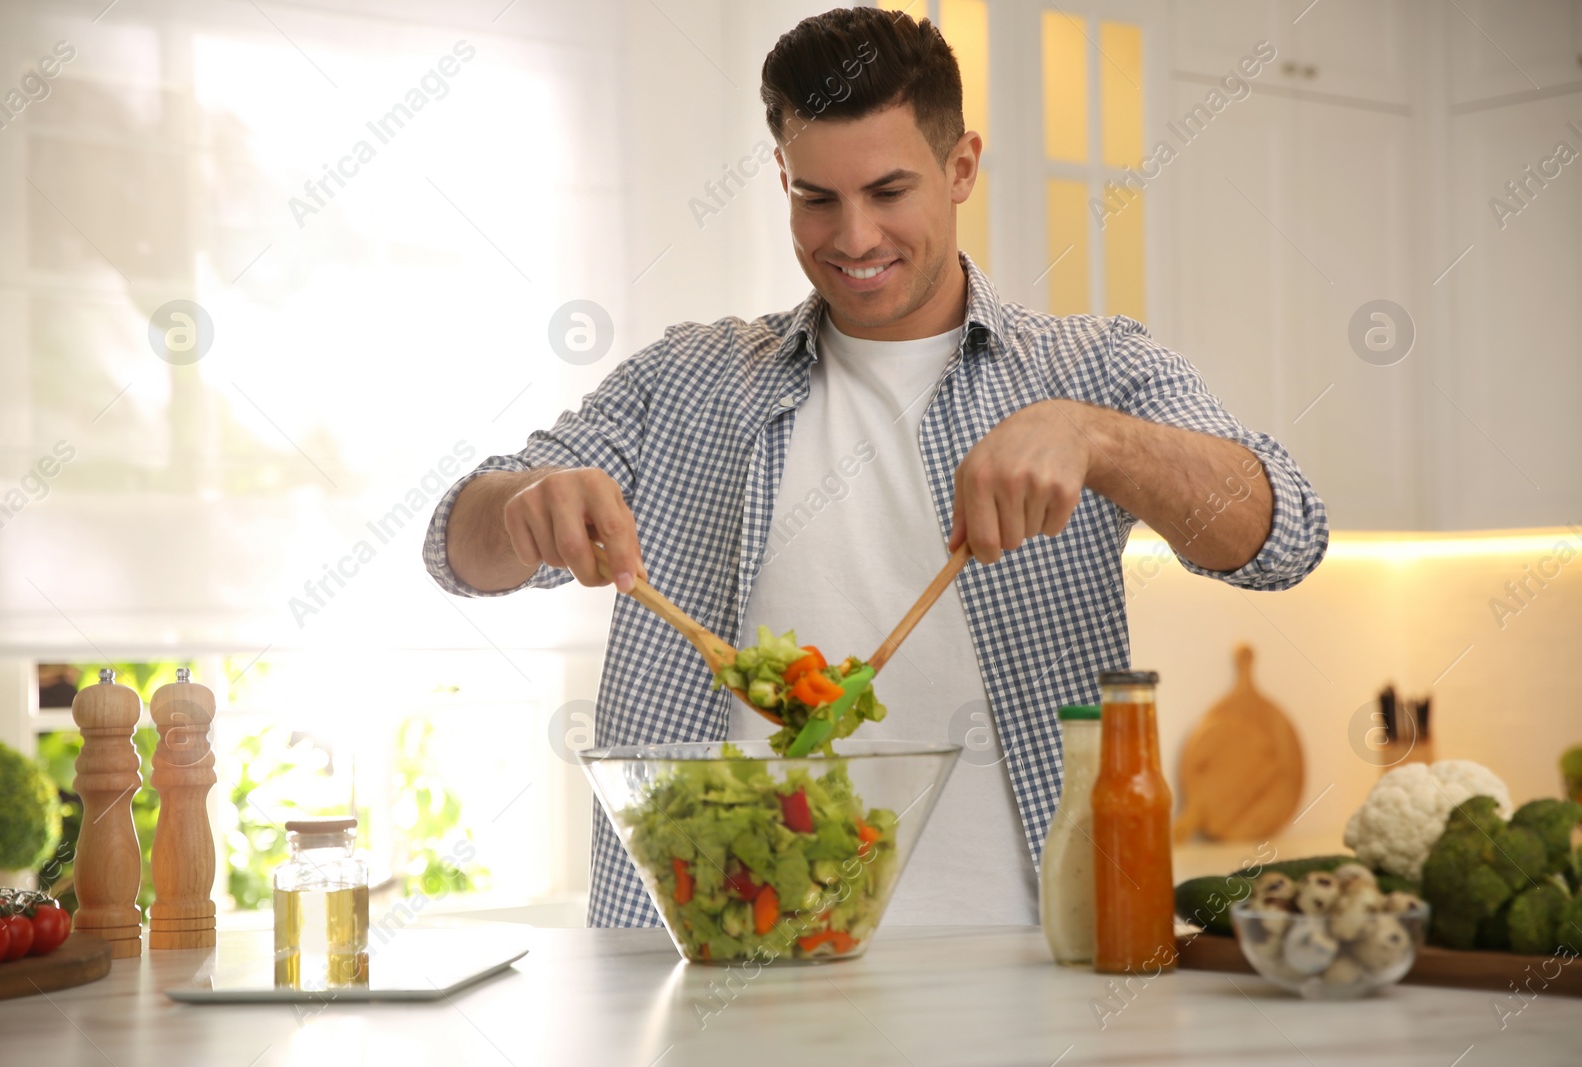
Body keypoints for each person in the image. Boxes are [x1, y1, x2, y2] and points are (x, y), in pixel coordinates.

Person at [424, 7, 1327, 928]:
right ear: (782, 178)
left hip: (1029, 975)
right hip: (720, 971)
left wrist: (1101, 440)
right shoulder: (688, 379)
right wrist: (523, 505)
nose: (852, 237)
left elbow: (1285, 534)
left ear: (962, 167)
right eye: (817, 198)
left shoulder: (1089, 372)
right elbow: (455, 547)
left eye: (889, 191)